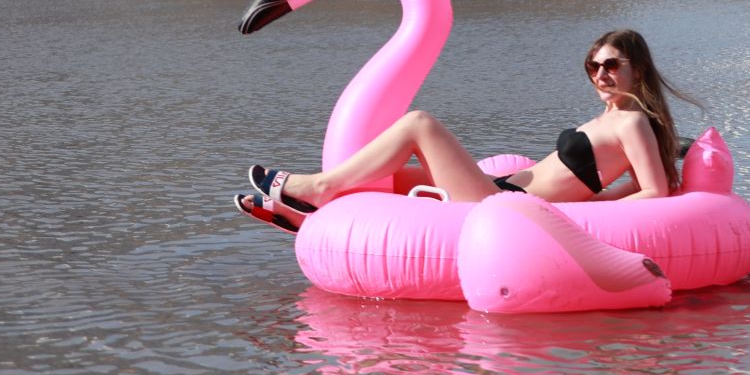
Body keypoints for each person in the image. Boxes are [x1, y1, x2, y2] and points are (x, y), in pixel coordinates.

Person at [236, 30, 693, 231]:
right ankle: (306, 216)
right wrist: (595, 198)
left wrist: (587, 214)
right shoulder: (610, 117)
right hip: (501, 189)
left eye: (612, 65)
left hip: (509, 205)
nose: (601, 74)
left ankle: (314, 187)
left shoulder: (633, 121)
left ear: (638, 69)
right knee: (386, 179)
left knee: (419, 123)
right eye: (593, 66)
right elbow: (633, 180)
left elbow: (653, 191)